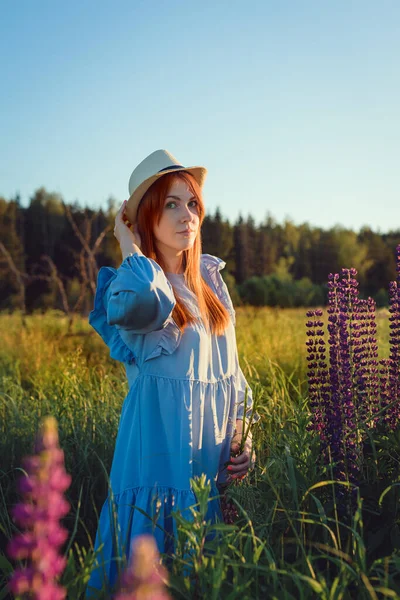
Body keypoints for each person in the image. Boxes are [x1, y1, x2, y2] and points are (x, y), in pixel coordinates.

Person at [85, 149, 260, 597]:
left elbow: (232, 377)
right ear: (145, 215)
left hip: (205, 463)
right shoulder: (135, 285)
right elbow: (145, 299)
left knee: (201, 579)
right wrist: (129, 244)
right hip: (155, 463)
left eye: (193, 203)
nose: (188, 216)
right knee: (146, 578)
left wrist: (244, 433)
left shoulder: (212, 285)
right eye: (170, 204)